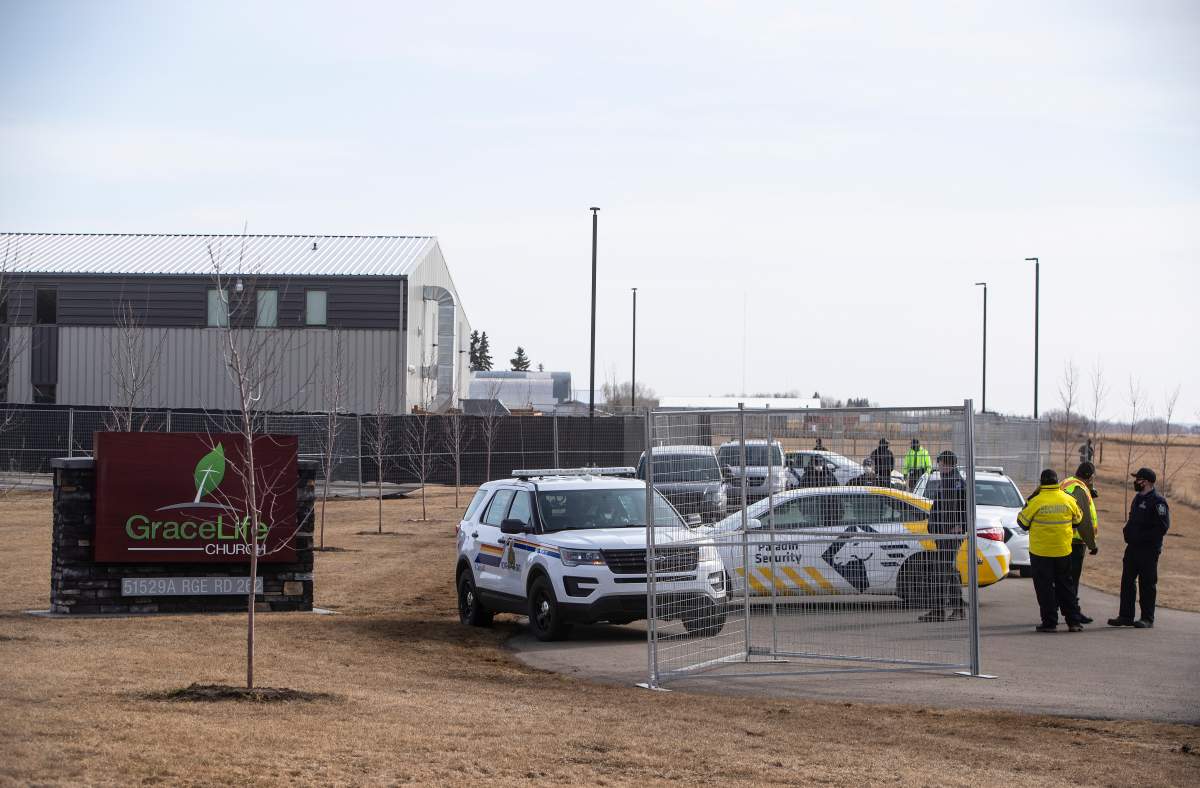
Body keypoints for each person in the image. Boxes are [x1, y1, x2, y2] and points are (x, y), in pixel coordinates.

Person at [1018, 469, 1084, 633]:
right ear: (1056, 482)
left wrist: (1030, 500)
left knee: (1045, 588)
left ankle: (1049, 622)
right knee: (1066, 586)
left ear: (1041, 483)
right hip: (1063, 550)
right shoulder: (1068, 499)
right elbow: (1078, 520)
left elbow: (1022, 522)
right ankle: (1074, 622)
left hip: (1041, 553)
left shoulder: (1036, 501)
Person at [1109, 468, 1170, 629]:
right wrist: (1127, 532)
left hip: (1148, 550)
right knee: (1127, 581)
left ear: (1147, 482)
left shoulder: (1158, 502)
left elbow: (1162, 528)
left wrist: (1141, 538)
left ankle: (1147, 618)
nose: (1135, 482)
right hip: (1132, 548)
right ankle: (1126, 616)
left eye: (1138, 479)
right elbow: (1131, 519)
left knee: (1147, 583)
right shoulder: (1137, 498)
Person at [919, 450, 967, 622]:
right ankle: (945, 609)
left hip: (950, 534)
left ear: (947, 464)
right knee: (946, 569)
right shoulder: (946, 481)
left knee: (944, 570)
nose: (938, 466)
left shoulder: (956, 483)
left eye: (940, 463)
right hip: (942, 532)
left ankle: (948, 609)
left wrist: (960, 526)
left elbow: (966, 507)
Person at [1061, 462, 1100, 623]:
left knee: (1063, 578)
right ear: (1090, 477)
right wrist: (1092, 544)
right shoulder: (1079, 489)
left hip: (1063, 538)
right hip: (1075, 540)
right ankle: (1073, 613)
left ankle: (1061, 609)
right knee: (1072, 580)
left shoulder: (1067, 482)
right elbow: (1083, 521)